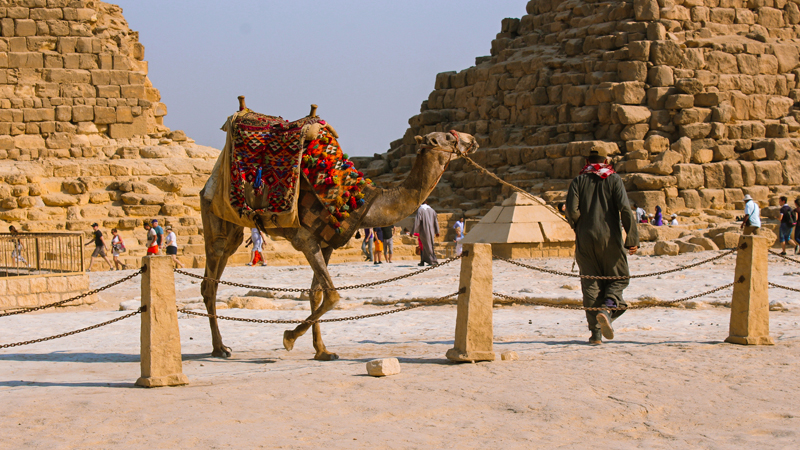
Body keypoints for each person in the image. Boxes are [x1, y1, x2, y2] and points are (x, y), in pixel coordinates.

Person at [566, 146, 639, 345]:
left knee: (590, 285)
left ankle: (595, 334)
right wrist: (631, 239)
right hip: (610, 239)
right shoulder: (613, 179)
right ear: (606, 161)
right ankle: (607, 309)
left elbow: (571, 211)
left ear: (587, 161)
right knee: (619, 277)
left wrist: (579, 227)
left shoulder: (578, 180)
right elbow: (625, 209)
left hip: (585, 240)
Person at [412, 201, 440, 266]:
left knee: (427, 246)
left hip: (424, 231)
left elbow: (417, 221)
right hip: (431, 231)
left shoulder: (420, 210)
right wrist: (437, 231)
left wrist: (412, 231)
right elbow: (436, 222)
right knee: (426, 246)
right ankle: (423, 260)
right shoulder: (432, 210)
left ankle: (433, 260)